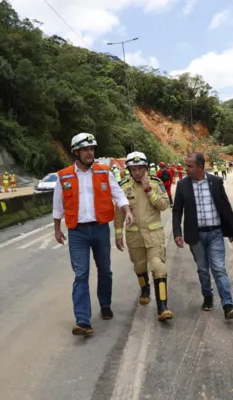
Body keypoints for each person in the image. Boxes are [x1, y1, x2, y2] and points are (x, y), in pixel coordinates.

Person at [53, 132, 135, 337]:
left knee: (105, 270)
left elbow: (118, 193)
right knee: (81, 274)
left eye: (92, 149)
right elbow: (58, 204)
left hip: (99, 229)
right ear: (76, 152)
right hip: (77, 232)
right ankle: (83, 320)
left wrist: (127, 211)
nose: (90, 153)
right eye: (85, 149)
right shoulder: (64, 176)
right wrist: (57, 228)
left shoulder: (104, 172)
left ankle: (105, 304)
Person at [172, 152, 233, 319]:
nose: (186, 169)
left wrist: (232, 229)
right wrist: (177, 233)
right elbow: (177, 211)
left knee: (219, 268)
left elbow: (225, 206)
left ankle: (228, 304)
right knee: (203, 270)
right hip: (195, 235)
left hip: (215, 233)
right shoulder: (183, 185)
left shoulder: (215, 182)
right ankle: (208, 296)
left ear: (200, 167)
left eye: (189, 166)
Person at [115, 152, 173, 321]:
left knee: (158, 267)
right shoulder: (124, 187)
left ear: (146, 168)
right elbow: (118, 213)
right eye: (134, 169)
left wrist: (149, 192)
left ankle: (163, 307)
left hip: (154, 235)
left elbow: (164, 205)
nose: (138, 172)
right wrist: (118, 235)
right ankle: (145, 288)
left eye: (141, 168)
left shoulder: (156, 183)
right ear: (129, 170)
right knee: (139, 267)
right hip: (135, 237)